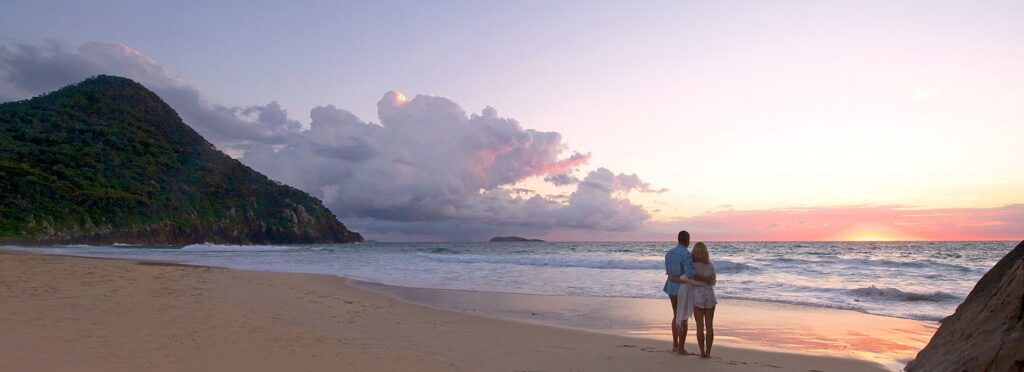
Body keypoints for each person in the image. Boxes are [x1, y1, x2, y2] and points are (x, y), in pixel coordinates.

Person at [663, 231, 713, 355]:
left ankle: (675, 344)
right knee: (683, 317)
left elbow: (669, 272)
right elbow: (690, 274)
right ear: (687, 240)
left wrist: (673, 278)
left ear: (678, 239)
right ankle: (681, 348)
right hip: (682, 288)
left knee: (676, 315)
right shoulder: (686, 254)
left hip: (670, 286)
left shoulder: (669, 254)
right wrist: (705, 279)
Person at [690, 242, 717, 358]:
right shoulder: (709, 265)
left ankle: (702, 352)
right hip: (709, 294)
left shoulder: (691, 265)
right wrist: (706, 281)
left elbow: (689, 279)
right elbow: (713, 282)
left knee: (700, 326)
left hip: (697, 295)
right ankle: (709, 352)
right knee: (709, 326)